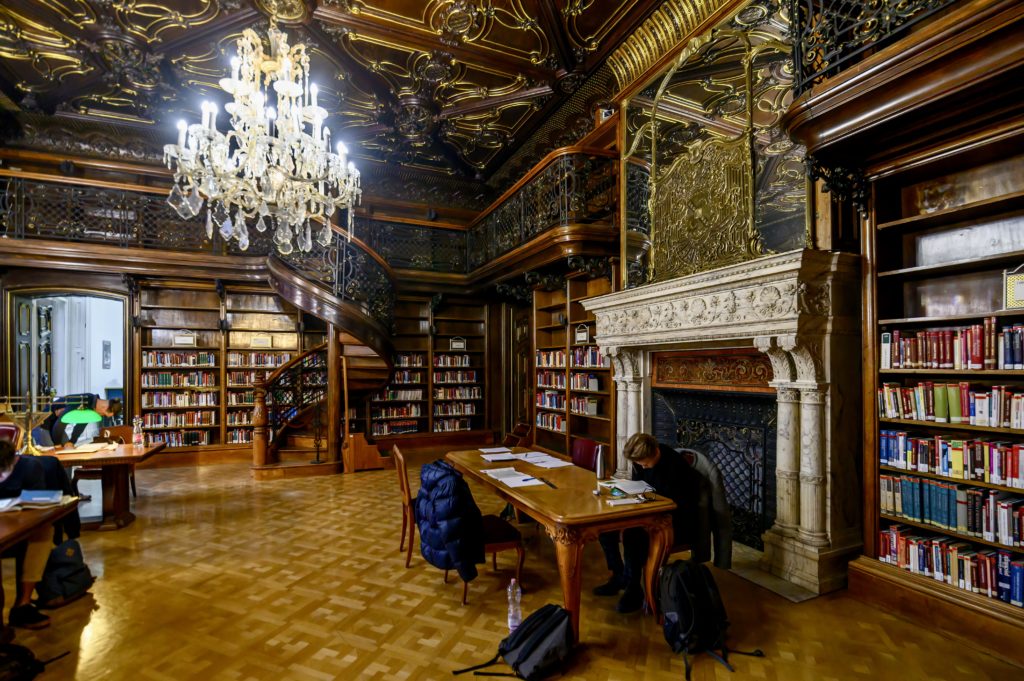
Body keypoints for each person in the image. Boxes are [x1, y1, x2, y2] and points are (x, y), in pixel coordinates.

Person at [595, 433, 731, 614]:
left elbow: (679, 503)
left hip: (677, 522)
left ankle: (634, 589)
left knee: (632, 534)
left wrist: (646, 501)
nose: (642, 466)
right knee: (605, 528)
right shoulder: (641, 461)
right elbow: (639, 484)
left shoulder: (675, 467)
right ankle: (619, 575)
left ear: (655, 452)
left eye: (644, 463)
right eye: (638, 464)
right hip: (648, 512)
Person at [0, 439, 54, 630]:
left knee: (44, 531)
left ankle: (23, 603)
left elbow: (39, 504)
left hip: (19, 524)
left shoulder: (29, 467)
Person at [36, 393, 121, 448]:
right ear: (105, 408)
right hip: (44, 423)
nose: (101, 416)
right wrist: (58, 445)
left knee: (69, 453)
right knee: (53, 456)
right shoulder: (83, 401)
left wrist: (72, 441)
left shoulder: (92, 405)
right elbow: (60, 424)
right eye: (103, 414)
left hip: (56, 425)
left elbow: (80, 425)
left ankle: (67, 477)